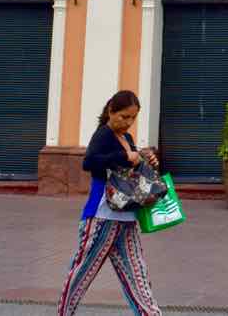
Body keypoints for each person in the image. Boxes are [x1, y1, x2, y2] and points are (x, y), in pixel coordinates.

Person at [57, 90, 163, 315]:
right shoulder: (103, 135)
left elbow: (133, 173)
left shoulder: (127, 138)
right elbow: (90, 163)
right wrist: (124, 157)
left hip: (127, 218)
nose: (128, 122)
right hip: (101, 217)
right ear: (110, 111)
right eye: (124, 116)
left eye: (133, 117)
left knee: (138, 275)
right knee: (81, 274)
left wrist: (146, 158)